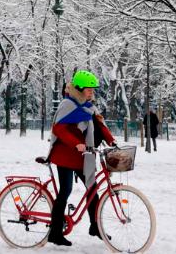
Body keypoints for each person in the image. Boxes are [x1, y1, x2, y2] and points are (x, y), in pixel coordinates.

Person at [46, 70, 116, 247]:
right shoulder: (67, 104)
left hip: (82, 155)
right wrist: (76, 143)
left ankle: (96, 226)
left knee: (92, 189)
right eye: (89, 88)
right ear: (79, 88)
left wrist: (111, 140)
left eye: (93, 89)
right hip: (65, 154)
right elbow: (58, 129)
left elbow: (99, 124)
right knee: (66, 190)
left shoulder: (88, 105)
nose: (92, 91)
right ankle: (55, 233)